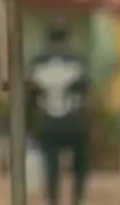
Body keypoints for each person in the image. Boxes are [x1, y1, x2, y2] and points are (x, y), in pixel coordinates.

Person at [28, 25, 91, 205]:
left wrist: (30, 124)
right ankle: (76, 199)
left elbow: (31, 99)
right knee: (80, 166)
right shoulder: (77, 64)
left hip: (48, 122)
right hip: (73, 121)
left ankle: (53, 200)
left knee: (51, 167)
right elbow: (86, 98)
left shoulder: (37, 66)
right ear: (67, 42)